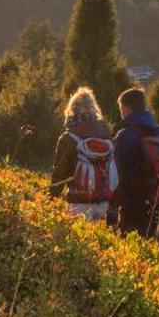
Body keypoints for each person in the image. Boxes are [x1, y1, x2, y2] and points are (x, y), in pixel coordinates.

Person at [110, 86, 159, 237]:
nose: (121, 113)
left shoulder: (125, 136)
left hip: (131, 205)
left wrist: (111, 207)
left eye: (121, 109)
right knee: (147, 244)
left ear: (126, 108)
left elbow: (116, 175)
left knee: (129, 250)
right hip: (156, 202)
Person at [51, 86, 117, 221]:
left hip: (78, 203)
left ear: (71, 109)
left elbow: (59, 174)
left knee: (79, 241)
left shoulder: (69, 138)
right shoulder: (105, 135)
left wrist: (50, 201)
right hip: (105, 203)